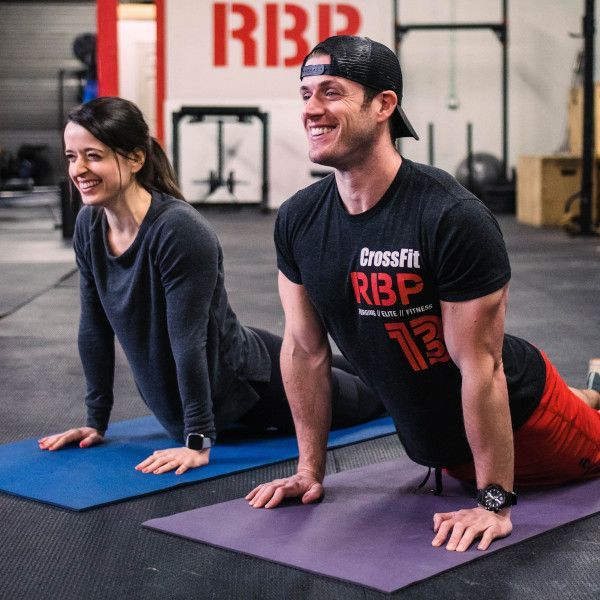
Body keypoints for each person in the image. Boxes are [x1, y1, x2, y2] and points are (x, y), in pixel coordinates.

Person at [245, 35, 600, 552]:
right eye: (305, 95)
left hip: (530, 427)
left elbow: (483, 368)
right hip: (447, 441)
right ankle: (591, 387)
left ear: (384, 104)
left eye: (331, 92)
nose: (311, 110)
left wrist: (494, 501)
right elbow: (304, 350)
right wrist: (307, 472)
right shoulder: (299, 218)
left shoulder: (449, 217)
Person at [38, 96, 383, 475]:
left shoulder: (176, 230)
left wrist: (198, 440)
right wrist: (95, 421)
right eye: (72, 157)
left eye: (93, 155)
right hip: (218, 365)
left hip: (246, 382)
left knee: (381, 392)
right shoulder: (89, 226)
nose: (79, 169)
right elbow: (94, 326)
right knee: (357, 364)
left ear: (135, 159)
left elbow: (189, 341)